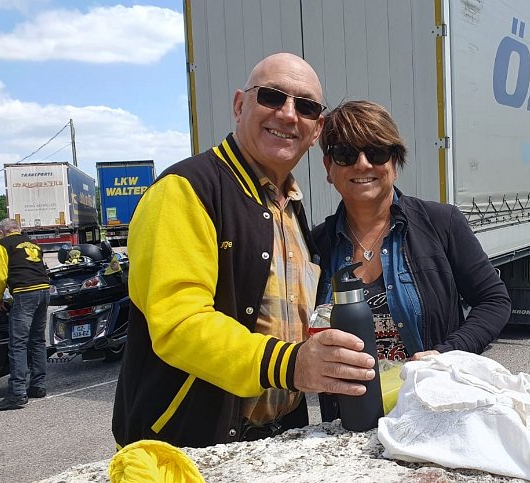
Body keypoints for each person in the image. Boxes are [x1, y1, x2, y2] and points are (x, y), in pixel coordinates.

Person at [112, 53, 376, 449]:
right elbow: (179, 325)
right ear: (239, 105)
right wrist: (291, 365)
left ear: (316, 129)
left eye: (306, 106)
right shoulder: (185, 190)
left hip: (276, 440)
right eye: (272, 96)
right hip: (186, 448)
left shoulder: (290, 207)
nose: (288, 114)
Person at [313, 100, 511, 369]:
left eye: (377, 152)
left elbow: (494, 301)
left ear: (395, 163)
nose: (362, 164)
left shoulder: (441, 223)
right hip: (347, 397)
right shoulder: (317, 244)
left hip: (430, 393)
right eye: (345, 153)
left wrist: (446, 354)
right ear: (329, 167)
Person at [0, 218, 51, 410]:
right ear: (19, 230)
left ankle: (16, 393)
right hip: (44, 291)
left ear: (2, 232)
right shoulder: (33, 243)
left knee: (18, 343)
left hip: (25, 293)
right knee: (38, 341)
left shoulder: (1, 244)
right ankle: (38, 386)